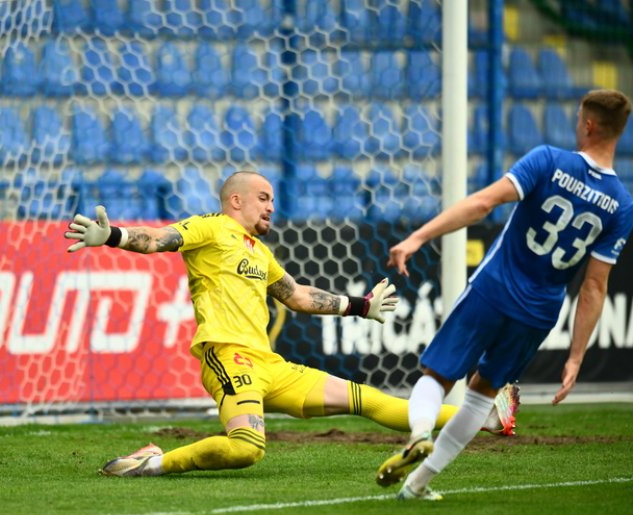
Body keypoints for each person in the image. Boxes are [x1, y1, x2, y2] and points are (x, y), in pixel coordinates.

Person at [64, 171, 517, 478]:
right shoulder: (209, 227)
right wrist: (115, 237)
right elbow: (159, 239)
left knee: (370, 400)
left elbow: (297, 295)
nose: (270, 207)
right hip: (228, 355)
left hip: (270, 365)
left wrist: (361, 306)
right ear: (235, 200)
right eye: (264, 199)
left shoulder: (259, 253)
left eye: (274, 201)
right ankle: (155, 463)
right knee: (246, 449)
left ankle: (487, 417)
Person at [376, 89, 633, 501]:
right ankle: (417, 484)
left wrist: (417, 237)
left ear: (587, 124)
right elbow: (593, 286)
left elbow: (481, 204)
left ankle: (420, 432)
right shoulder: (621, 204)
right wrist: (576, 357)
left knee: (438, 376)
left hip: (493, 289)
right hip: (538, 312)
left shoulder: (549, 160)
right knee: (483, 394)